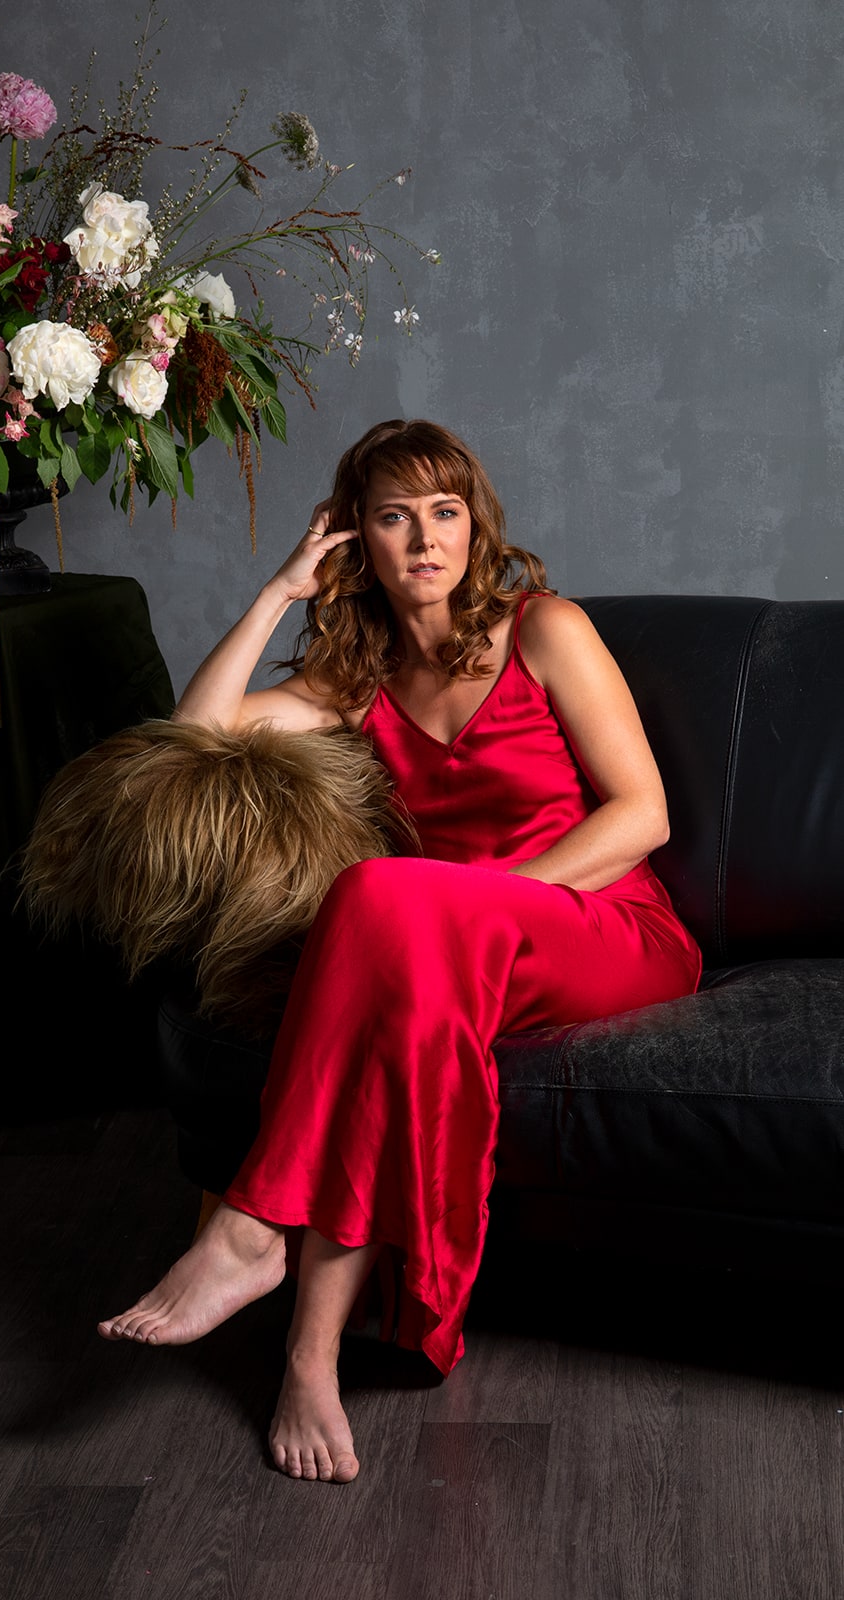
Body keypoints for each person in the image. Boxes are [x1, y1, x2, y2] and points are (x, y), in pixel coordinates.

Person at [97, 418, 702, 1484]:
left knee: (383, 896)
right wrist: (280, 592)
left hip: (603, 925)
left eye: (444, 510)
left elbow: (641, 816)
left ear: (475, 526)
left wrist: (468, 899)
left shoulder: (543, 629)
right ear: (355, 542)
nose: (425, 538)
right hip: (444, 952)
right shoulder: (357, 682)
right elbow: (195, 735)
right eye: (392, 516)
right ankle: (310, 1353)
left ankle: (250, 1227)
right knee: (404, 994)